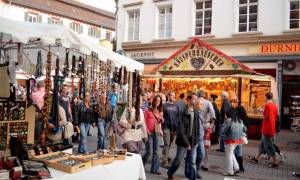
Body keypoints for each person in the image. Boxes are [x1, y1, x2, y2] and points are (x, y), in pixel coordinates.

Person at [168, 93, 200, 180]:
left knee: (192, 161)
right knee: (178, 159)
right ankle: (170, 173)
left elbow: (197, 127)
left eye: (196, 99)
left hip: (193, 140)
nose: (195, 101)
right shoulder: (182, 111)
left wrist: (196, 140)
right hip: (183, 140)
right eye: (194, 99)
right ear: (188, 100)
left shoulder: (196, 111)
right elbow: (181, 130)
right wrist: (187, 144)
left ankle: (192, 178)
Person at [250, 92, 279, 168]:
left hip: (267, 129)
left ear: (267, 97)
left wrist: (261, 110)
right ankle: (256, 158)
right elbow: (275, 117)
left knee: (269, 146)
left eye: (264, 97)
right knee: (262, 144)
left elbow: (265, 117)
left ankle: (275, 161)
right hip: (272, 128)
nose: (264, 98)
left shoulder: (267, 105)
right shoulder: (275, 106)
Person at [222, 109, 247, 176]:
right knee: (231, 154)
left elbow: (224, 130)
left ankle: (230, 171)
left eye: (226, 114)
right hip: (238, 140)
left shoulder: (229, 120)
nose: (225, 115)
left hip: (229, 140)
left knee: (229, 155)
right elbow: (245, 129)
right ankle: (236, 168)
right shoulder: (240, 121)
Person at [143, 95, 163, 175]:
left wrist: (161, 125)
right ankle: (141, 165)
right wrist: (147, 131)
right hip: (149, 132)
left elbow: (159, 121)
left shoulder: (159, 110)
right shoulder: (148, 110)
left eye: (159, 101)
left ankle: (154, 169)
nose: (157, 102)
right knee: (149, 152)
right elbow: (143, 121)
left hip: (157, 132)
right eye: (156, 101)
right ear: (154, 101)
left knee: (156, 152)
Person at [186, 98, 205, 179]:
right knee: (191, 158)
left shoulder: (200, 113)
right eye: (201, 104)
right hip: (193, 138)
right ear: (196, 105)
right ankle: (190, 173)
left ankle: (195, 171)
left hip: (200, 138)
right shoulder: (192, 113)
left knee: (201, 155)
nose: (202, 106)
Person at [196, 90, 215, 171]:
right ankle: (206, 164)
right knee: (206, 145)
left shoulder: (196, 101)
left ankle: (196, 160)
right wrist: (212, 125)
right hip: (206, 125)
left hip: (197, 125)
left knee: (196, 143)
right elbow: (212, 113)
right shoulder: (208, 102)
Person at [162, 91, 180, 167]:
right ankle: (164, 161)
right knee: (166, 143)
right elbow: (161, 115)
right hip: (166, 127)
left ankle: (165, 155)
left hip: (174, 128)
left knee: (169, 143)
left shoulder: (176, 106)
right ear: (168, 96)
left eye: (174, 95)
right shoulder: (164, 105)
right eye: (172, 95)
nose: (173, 97)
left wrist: (178, 127)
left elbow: (178, 117)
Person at [231, 96, 248, 173]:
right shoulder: (242, 109)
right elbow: (246, 121)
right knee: (239, 150)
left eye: (233, 102)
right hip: (241, 132)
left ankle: (235, 167)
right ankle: (241, 167)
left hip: (235, 132)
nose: (232, 103)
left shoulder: (236, 110)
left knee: (233, 150)